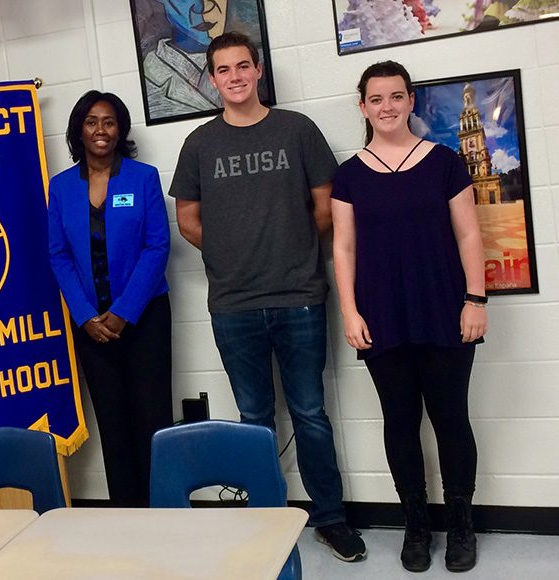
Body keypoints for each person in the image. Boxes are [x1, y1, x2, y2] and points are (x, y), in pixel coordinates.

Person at [169, 31, 366, 562]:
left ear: (258, 71)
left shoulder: (297, 130)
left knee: (310, 413)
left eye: (242, 66)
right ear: (213, 80)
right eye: (223, 70)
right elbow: (187, 217)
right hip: (233, 303)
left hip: (300, 295)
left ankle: (330, 518)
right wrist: (230, 249)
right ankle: (264, 518)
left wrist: (296, 245)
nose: (234, 76)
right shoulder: (200, 144)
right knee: (254, 418)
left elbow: (326, 204)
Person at [331, 61, 487, 573]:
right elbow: (345, 248)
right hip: (380, 318)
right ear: (363, 107)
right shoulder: (349, 175)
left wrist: (475, 299)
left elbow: (468, 234)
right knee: (399, 422)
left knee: (450, 419)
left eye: (396, 96)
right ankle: (416, 526)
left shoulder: (444, 162)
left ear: (410, 101)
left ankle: (461, 523)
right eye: (376, 99)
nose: (387, 107)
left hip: (445, 312)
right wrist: (350, 312)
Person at [48, 90, 172, 507]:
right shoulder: (61, 188)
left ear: (120, 130)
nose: (101, 131)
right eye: (91, 122)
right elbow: (59, 255)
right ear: (78, 131)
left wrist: (122, 313)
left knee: (152, 419)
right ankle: (126, 516)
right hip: (89, 325)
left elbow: (157, 248)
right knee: (112, 422)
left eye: (109, 122)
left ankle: (163, 514)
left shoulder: (143, 177)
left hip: (144, 318)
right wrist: (85, 316)